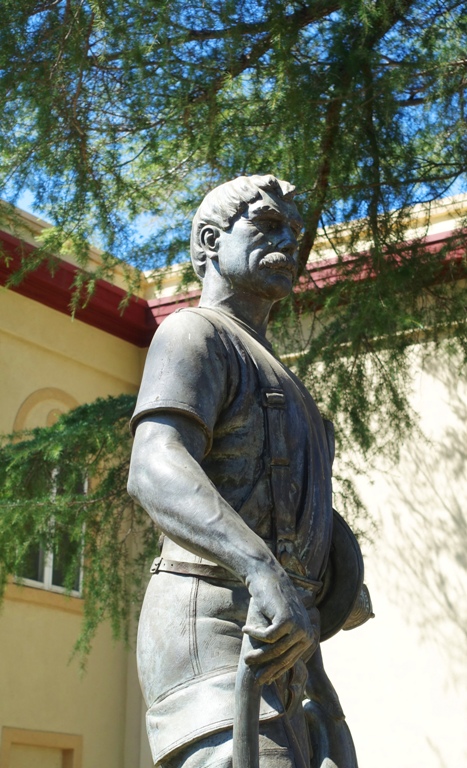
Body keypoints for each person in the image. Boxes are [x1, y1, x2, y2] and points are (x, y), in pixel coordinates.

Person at [128, 175, 368, 768]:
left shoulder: (286, 381)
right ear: (211, 239)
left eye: (295, 231)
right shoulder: (193, 332)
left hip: (284, 640)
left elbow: (282, 499)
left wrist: (336, 579)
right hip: (209, 627)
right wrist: (263, 569)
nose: (288, 242)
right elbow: (155, 464)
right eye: (267, 226)